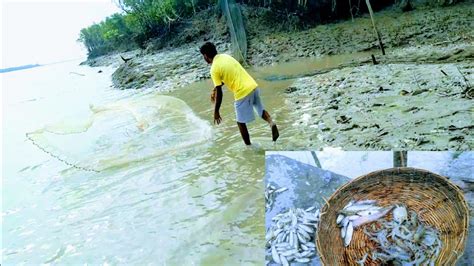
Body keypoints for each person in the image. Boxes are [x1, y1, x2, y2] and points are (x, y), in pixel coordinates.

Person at [200, 42, 279, 146]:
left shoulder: (214, 68)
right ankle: (271, 122)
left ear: (206, 56)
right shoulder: (225, 57)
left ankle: (248, 147)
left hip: (242, 92)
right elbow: (228, 76)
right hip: (253, 86)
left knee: (240, 122)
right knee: (260, 111)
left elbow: (220, 93)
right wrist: (215, 89)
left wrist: (216, 111)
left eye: (203, 56)